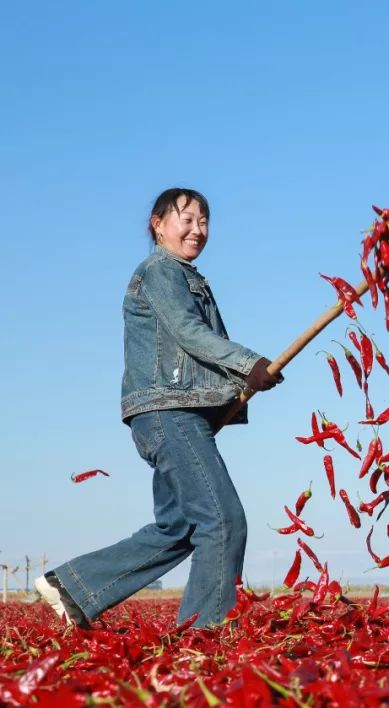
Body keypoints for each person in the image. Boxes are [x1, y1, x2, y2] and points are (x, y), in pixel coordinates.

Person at [35, 188, 282, 629]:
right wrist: (250, 364)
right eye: (186, 218)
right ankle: (202, 636)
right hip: (170, 413)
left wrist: (241, 384)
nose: (197, 229)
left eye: (204, 221)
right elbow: (188, 332)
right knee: (222, 521)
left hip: (169, 414)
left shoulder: (186, 276)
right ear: (158, 223)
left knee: (180, 528)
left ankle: (73, 587)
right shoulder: (161, 271)